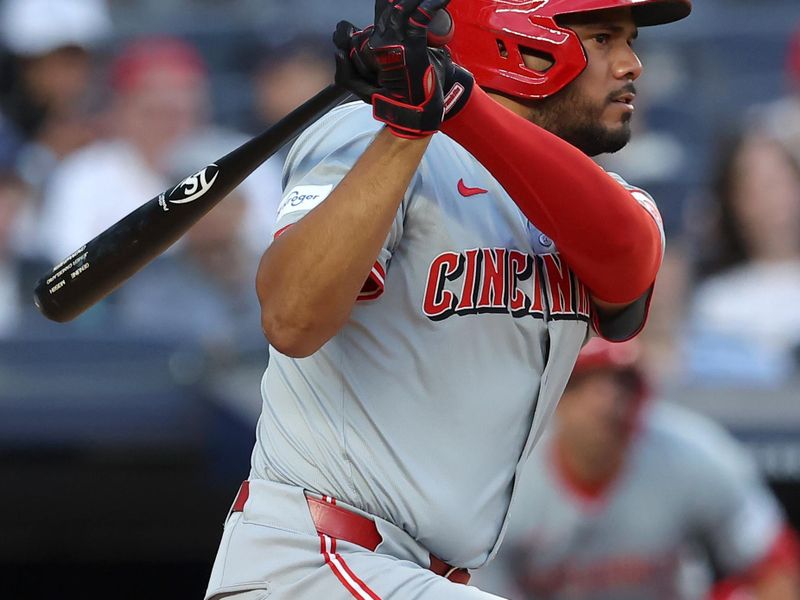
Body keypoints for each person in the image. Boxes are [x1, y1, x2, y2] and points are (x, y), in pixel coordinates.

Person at [204, 0, 691, 598]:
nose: (632, 64)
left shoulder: (611, 202)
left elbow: (627, 268)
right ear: (525, 42)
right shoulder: (371, 133)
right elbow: (292, 317)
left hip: (426, 576)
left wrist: (456, 103)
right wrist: (410, 126)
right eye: (604, 38)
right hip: (314, 560)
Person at [470, 338, 800, 600]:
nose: (609, 401)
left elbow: (773, 561)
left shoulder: (693, 454)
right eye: (587, 383)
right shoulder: (505, 470)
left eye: (623, 384)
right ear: (557, 397)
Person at [685, 131, 800, 384]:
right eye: (753, 187)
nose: (770, 199)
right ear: (733, 202)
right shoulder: (717, 302)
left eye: (777, 182)